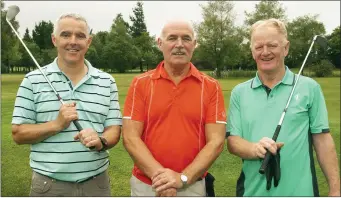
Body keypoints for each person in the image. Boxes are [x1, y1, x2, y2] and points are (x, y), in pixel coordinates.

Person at [226, 18, 340, 196]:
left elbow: (323, 140)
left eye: (272, 45)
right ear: (252, 51)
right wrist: (254, 149)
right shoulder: (239, 93)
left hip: (302, 192)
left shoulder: (310, 88)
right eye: (259, 47)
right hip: (252, 192)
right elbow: (233, 142)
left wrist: (335, 189)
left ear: (285, 48)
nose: (265, 52)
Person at [11, 13, 122, 196]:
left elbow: (114, 130)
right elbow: (18, 134)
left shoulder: (106, 81)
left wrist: (101, 141)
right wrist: (57, 125)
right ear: (54, 40)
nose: (73, 41)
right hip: (49, 185)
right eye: (65, 35)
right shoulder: (32, 80)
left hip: (97, 184)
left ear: (89, 41)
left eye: (80, 36)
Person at [122, 19, 226, 196]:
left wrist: (182, 178)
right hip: (147, 185)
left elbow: (216, 141)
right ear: (160, 43)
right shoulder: (140, 83)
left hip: (192, 184)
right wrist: (163, 179)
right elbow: (130, 137)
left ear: (194, 44)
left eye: (186, 38)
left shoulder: (211, 86)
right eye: (172, 38)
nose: (179, 45)